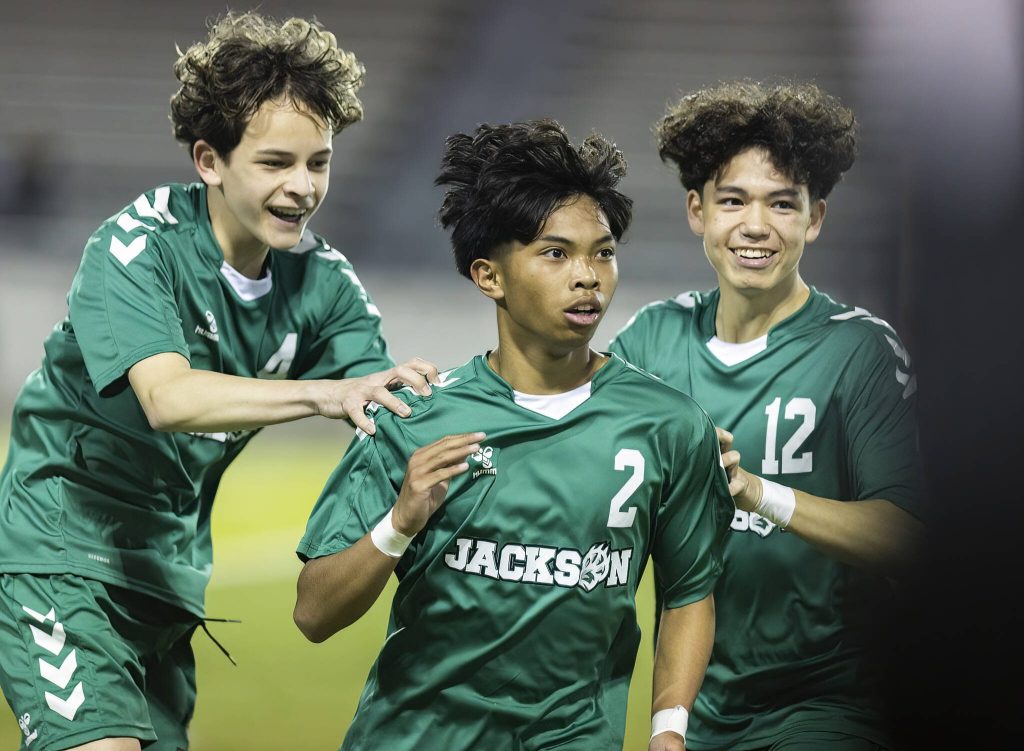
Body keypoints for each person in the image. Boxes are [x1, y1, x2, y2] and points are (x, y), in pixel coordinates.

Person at [0, 11, 437, 751]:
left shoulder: (324, 284)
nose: (303, 187)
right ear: (210, 160)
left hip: (167, 585)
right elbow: (169, 398)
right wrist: (322, 393)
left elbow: (393, 409)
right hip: (59, 561)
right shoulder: (137, 249)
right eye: (276, 163)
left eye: (320, 163)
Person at [293, 119, 734, 750]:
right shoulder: (413, 415)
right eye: (556, 254)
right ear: (489, 276)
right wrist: (399, 522)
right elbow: (313, 614)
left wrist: (669, 726)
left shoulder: (669, 424)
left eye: (602, 253)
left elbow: (689, 592)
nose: (588, 276)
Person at [609, 81, 924, 750]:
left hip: (828, 705)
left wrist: (757, 491)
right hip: (697, 705)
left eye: (782, 204)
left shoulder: (859, 348)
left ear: (814, 220)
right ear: (698, 211)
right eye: (733, 201)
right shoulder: (649, 343)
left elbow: (908, 533)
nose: (756, 225)